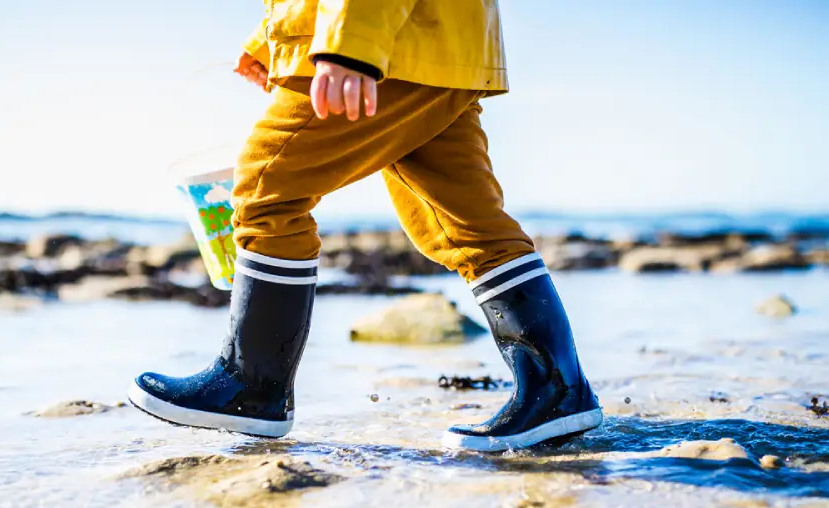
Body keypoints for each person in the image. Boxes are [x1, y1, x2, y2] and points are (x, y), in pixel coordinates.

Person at [127, 0, 602, 452]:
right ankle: (558, 394)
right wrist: (271, 39)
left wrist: (348, 45)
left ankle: (250, 386)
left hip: (392, 43)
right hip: (439, 45)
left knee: (265, 186)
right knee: (465, 221)